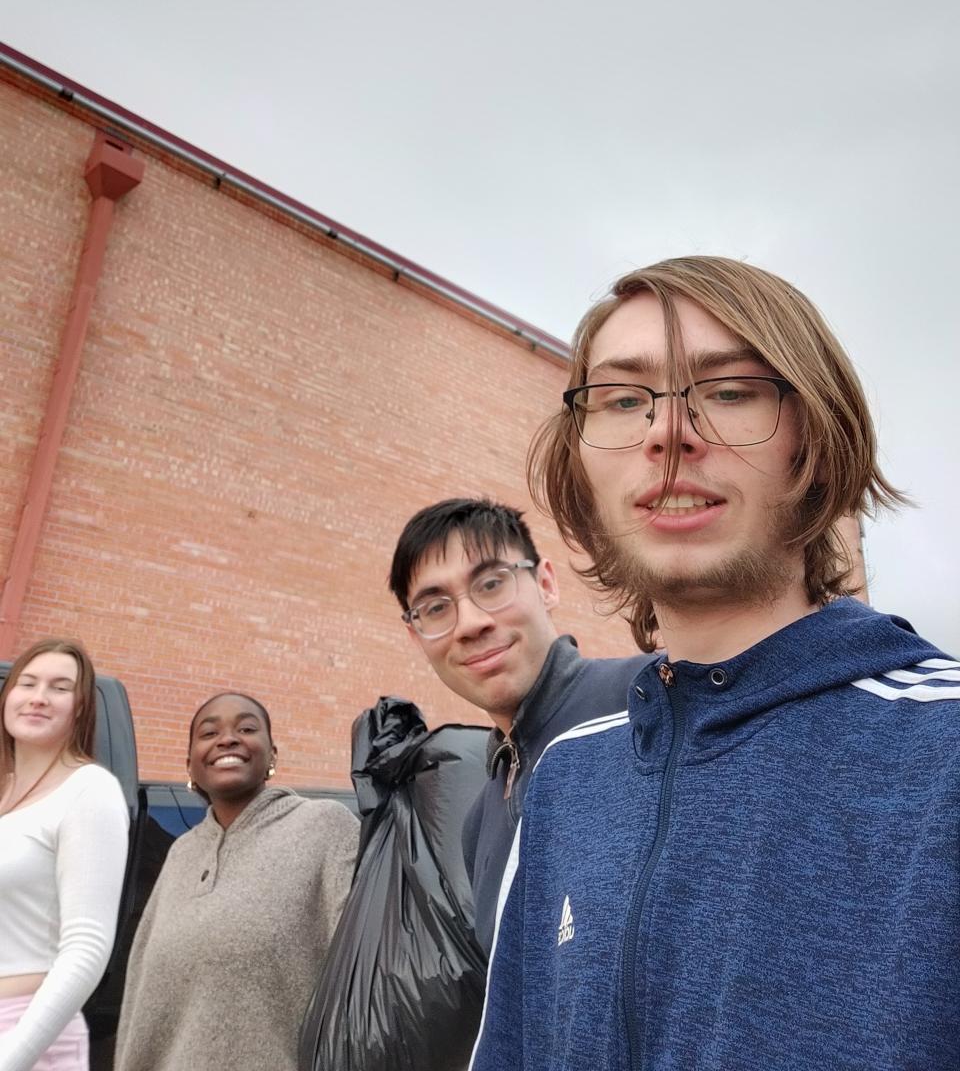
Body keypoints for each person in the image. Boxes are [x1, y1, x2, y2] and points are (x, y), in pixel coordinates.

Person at [470, 255, 960, 1071]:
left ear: (815, 439)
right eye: (623, 399)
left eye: (729, 391)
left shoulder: (944, 753)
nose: (667, 432)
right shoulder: (566, 781)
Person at [389, 497, 648, 954]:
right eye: (435, 608)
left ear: (545, 584)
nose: (469, 624)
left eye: (491, 584)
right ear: (415, 636)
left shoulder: (648, 702)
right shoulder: (478, 823)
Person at [114, 691, 358, 1071]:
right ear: (190, 766)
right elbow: (139, 997)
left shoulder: (326, 826)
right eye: (209, 733)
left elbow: (363, 975)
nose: (227, 739)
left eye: (246, 728)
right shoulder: (181, 854)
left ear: (272, 755)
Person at [0, 638, 129, 1071]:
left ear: (80, 708)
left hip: (27, 1035)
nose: (38, 697)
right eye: (27, 683)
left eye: (59, 687)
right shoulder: (4, 790)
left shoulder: (89, 790)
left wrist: (11, 1058)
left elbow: (86, 948)